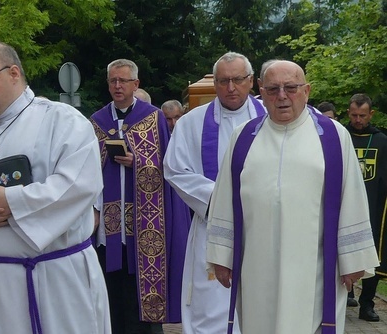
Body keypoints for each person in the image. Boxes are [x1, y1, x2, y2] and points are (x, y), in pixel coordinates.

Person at [0, 42, 111, 334]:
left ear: (14, 73)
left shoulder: (62, 121)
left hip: (49, 283)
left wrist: (13, 201)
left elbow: (78, 185)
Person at [206, 60, 379, 333]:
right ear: (261, 92)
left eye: (291, 87)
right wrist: (221, 255)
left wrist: (354, 260)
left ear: (307, 90)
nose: (282, 96)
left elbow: (353, 198)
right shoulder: (244, 138)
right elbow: (225, 199)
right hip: (256, 265)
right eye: (273, 89)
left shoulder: (333, 137)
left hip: (315, 270)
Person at [163, 52, 265, 334]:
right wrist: (223, 202)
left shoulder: (273, 118)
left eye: (237, 80)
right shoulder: (191, 123)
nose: (230, 88)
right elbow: (175, 169)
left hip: (265, 227)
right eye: (223, 81)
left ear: (251, 81)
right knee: (212, 307)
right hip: (214, 227)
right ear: (215, 83)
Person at [90, 59, 190, 334]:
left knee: (141, 296)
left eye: (123, 80)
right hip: (109, 223)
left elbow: (168, 166)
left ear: (136, 84)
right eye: (113, 81)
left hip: (146, 221)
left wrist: (138, 161)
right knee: (112, 292)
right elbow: (87, 169)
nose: (117, 86)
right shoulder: (97, 121)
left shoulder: (153, 117)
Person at [345, 93, 387, 322]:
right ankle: (341, 298)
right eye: (354, 115)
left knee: (373, 257)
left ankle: (367, 304)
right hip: (343, 208)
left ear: (371, 114)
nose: (358, 120)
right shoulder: (340, 136)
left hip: (373, 208)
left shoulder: (381, 141)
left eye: (362, 115)